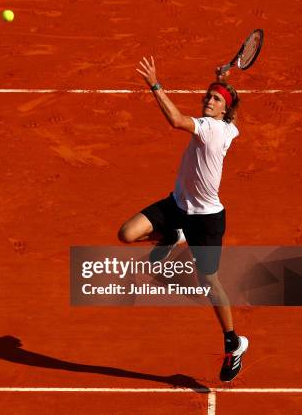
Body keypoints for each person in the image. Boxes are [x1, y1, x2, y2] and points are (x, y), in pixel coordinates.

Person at [117, 56, 248, 382]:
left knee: (210, 283)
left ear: (222, 111)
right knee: (127, 233)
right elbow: (231, 110)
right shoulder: (230, 128)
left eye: (215, 99)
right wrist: (221, 80)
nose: (208, 100)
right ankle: (172, 235)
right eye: (207, 95)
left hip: (206, 221)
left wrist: (155, 84)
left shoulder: (210, 129)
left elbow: (175, 120)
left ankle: (234, 342)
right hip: (178, 205)